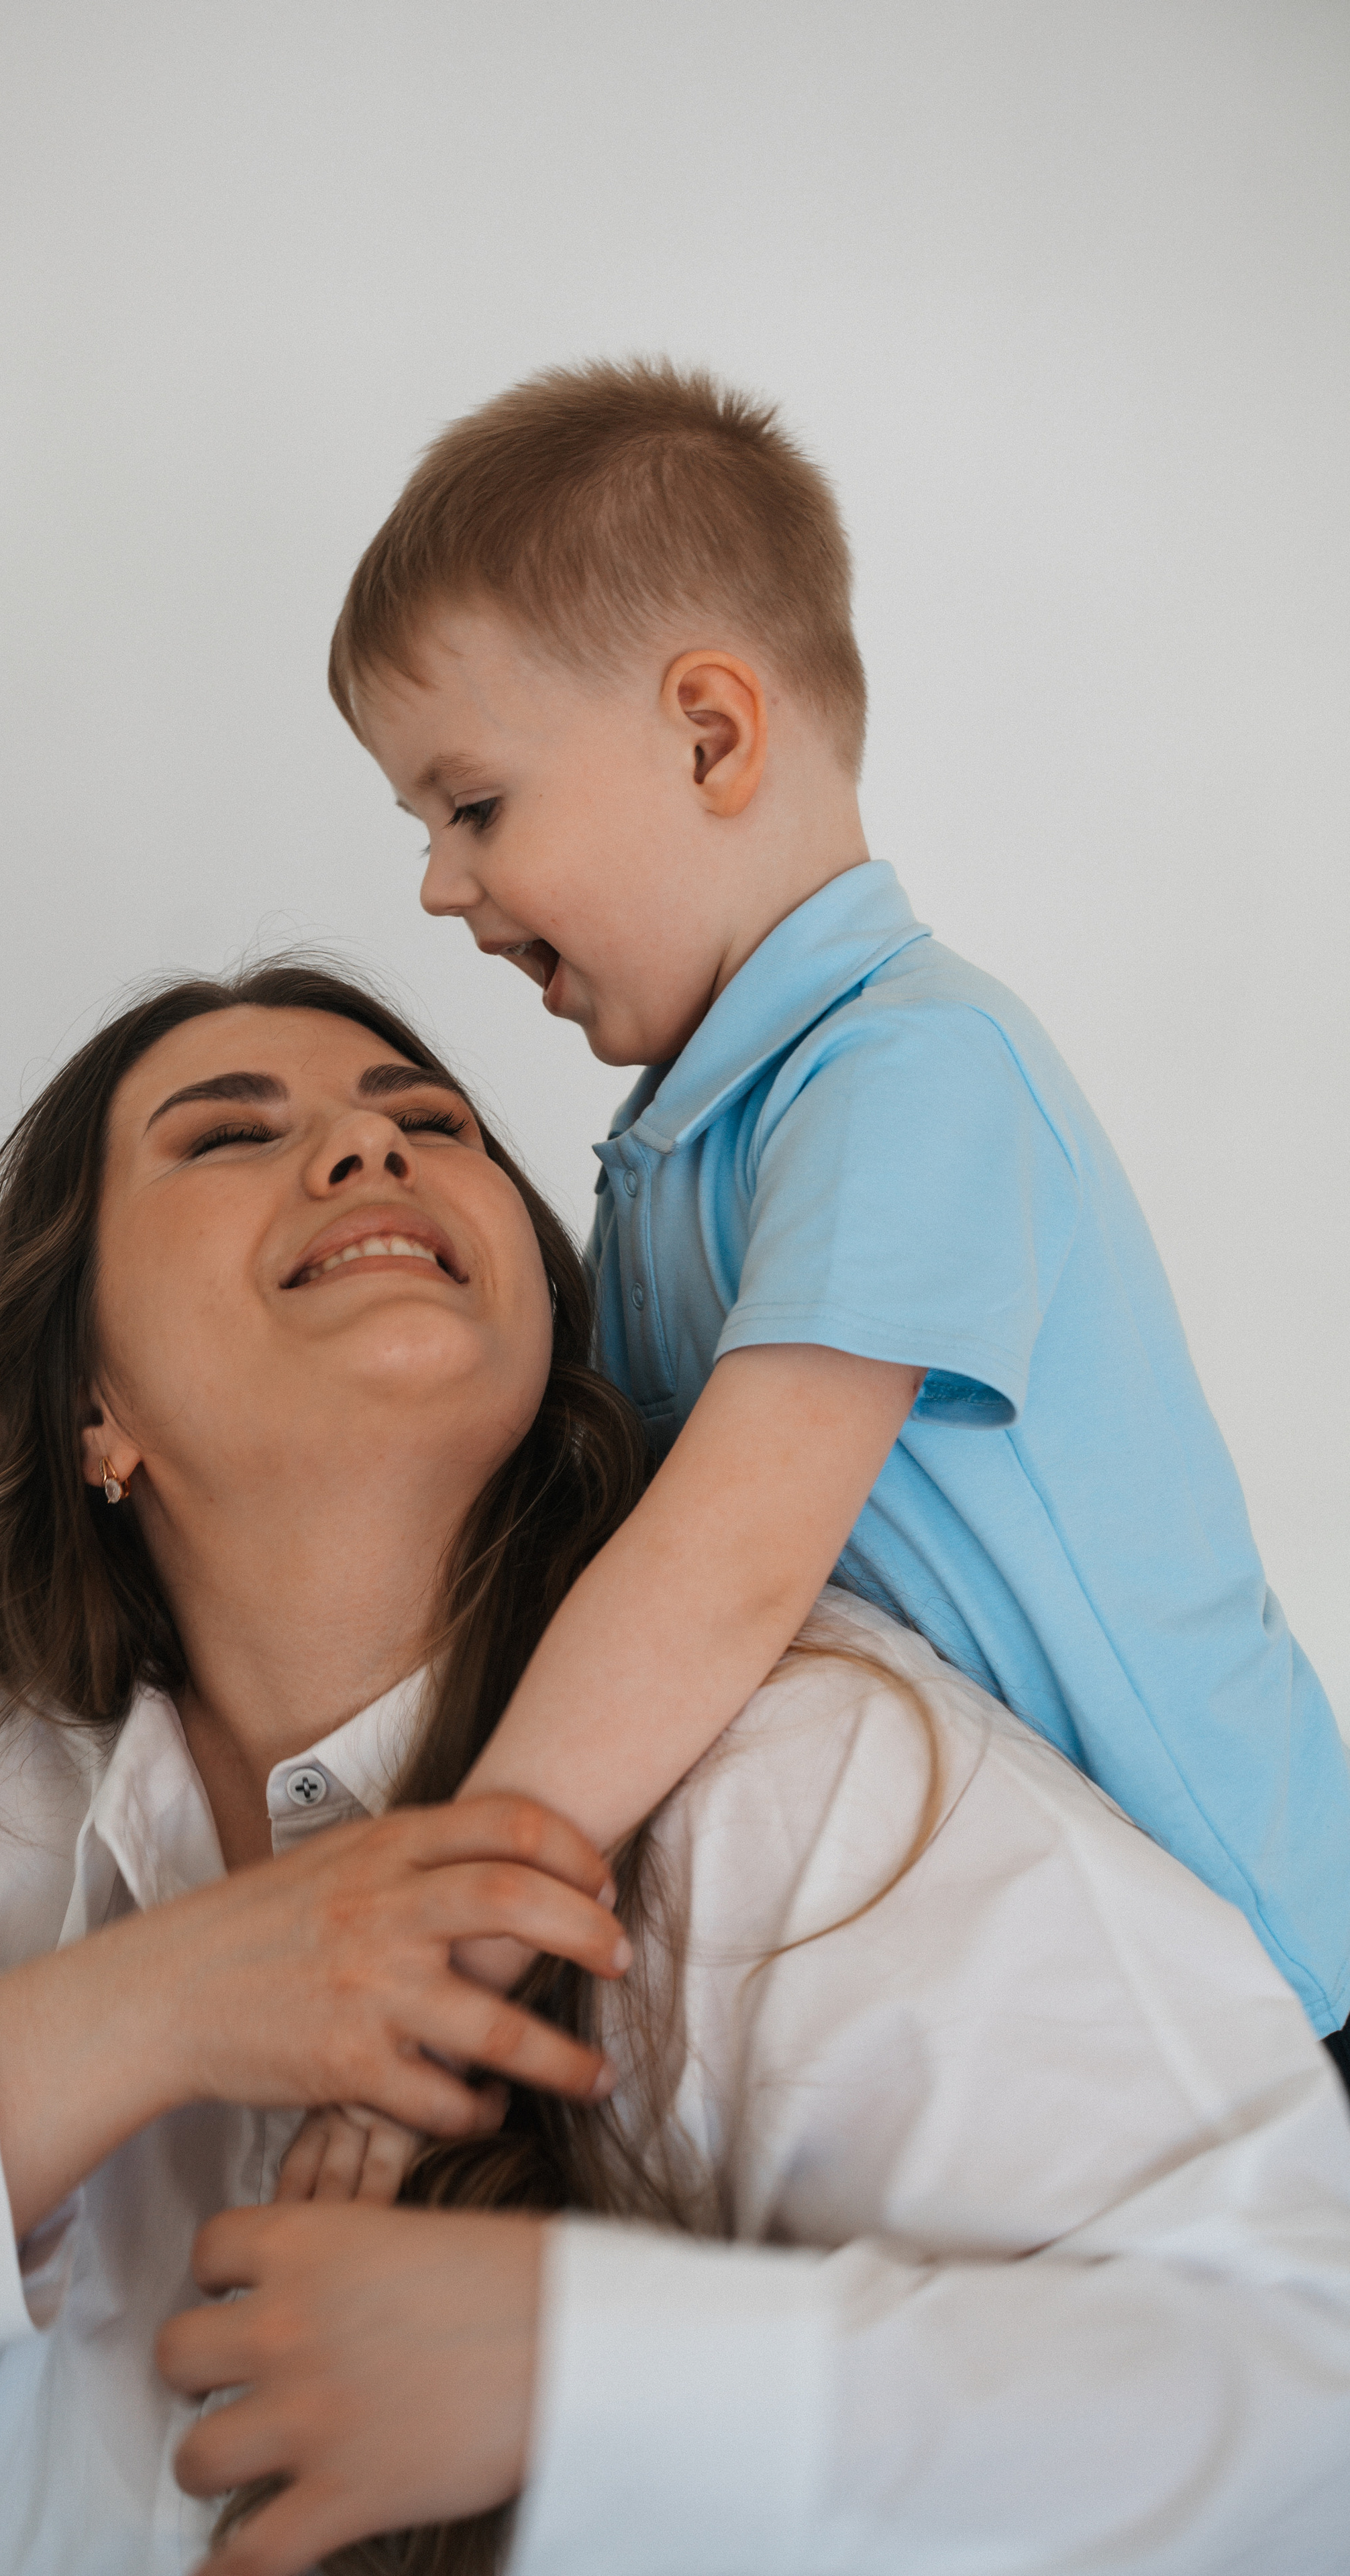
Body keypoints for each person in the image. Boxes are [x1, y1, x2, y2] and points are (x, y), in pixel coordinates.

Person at [0, 963, 1349, 2576]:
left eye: (431, 1123)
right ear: (93, 1406)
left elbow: (1299, 2397)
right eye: (230, 1134)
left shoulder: (805, 1774)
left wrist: (572, 2370)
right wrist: (132, 2013)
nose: (367, 1142)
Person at [328, 356, 1350, 2059]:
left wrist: (454, 1933)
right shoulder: (672, 1142)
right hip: (1009, 1998)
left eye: (474, 807)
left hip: (1258, 1982)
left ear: (711, 734)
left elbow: (716, 1576)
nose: (439, 888)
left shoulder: (908, 1075)